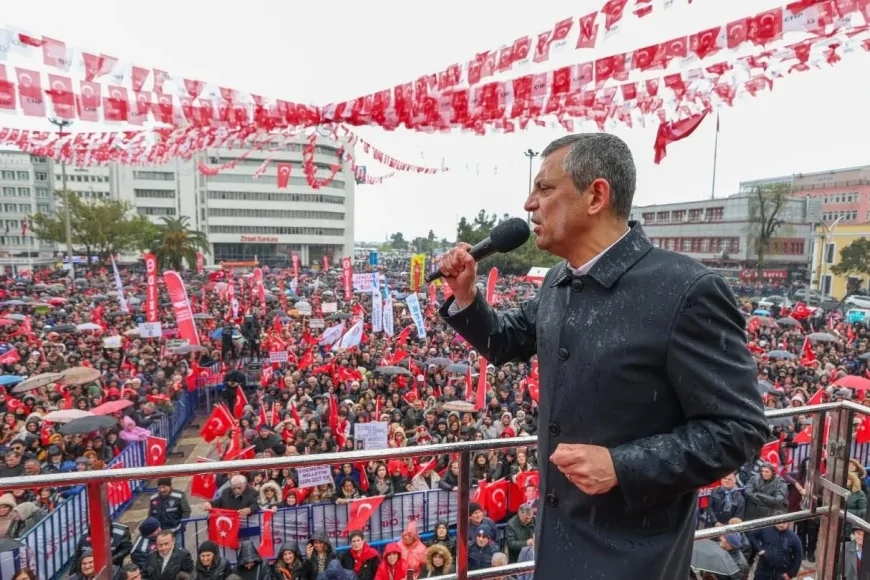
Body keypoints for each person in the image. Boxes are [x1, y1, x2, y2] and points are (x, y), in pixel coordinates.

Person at [437, 133, 769, 579]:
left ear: (596, 195)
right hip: (557, 542)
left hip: (634, 556)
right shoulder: (558, 280)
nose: (529, 204)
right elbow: (505, 341)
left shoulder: (685, 291)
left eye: (545, 188)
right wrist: (467, 296)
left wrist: (622, 466)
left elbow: (739, 429)